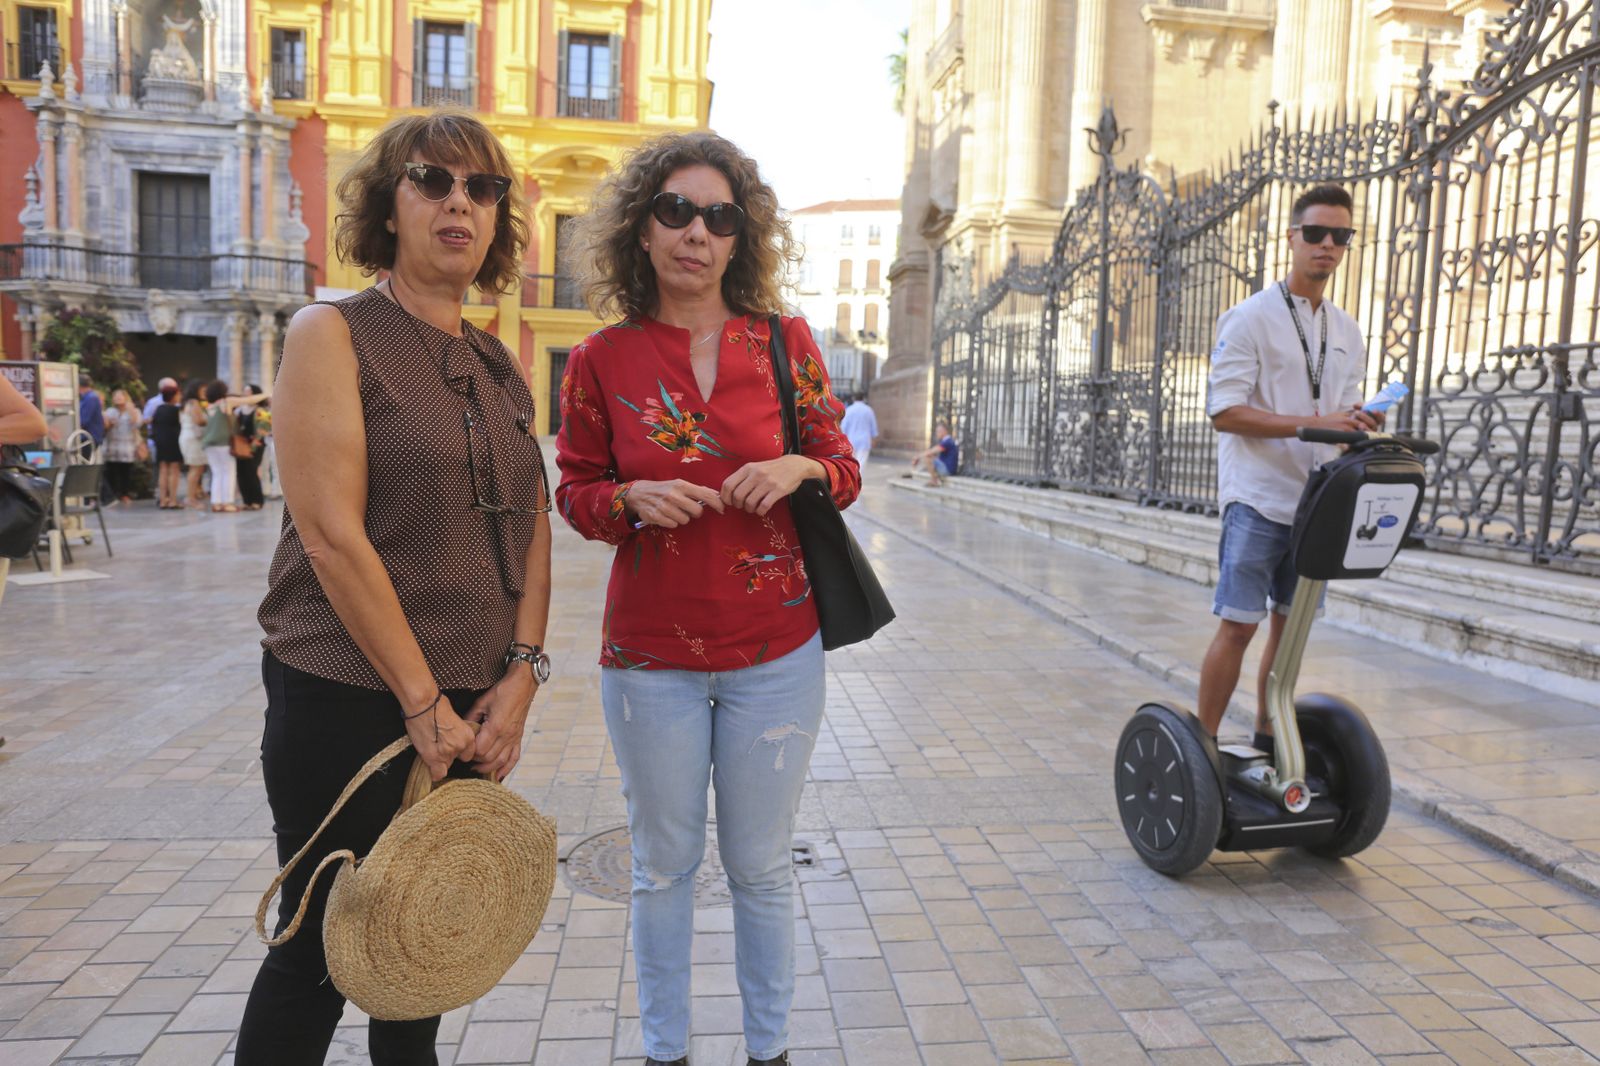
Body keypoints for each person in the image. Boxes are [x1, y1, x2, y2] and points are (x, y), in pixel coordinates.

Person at [240, 110, 550, 1066]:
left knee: (426, 942)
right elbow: (332, 536)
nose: (460, 202)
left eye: (483, 188)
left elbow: (534, 526)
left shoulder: (500, 362)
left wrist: (522, 679)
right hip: (346, 692)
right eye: (432, 181)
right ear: (389, 204)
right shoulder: (333, 333)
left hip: (467, 703)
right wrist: (420, 700)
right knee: (320, 951)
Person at [555, 131, 859, 1066]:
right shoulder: (601, 359)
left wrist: (797, 463)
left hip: (777, 650)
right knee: (663, 867)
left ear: (740, 238)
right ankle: (665, 1050)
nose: (697, 232)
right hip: (651, 659)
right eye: (676, 211)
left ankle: (768, 1051)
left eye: (718, 217)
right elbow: (573, 492)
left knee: (762, 869)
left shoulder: (783, 342)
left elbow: (843, 470)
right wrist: (628, 498)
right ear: (641, 231)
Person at [1198, 183, 1382, 750]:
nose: (1326, 245)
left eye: (1340, 236)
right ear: (1292, 237)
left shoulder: (1347, 329)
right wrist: (1315, 422)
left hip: (1316, 504)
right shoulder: (1249, 318)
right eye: (1315, 233)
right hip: (1257, 497)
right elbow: (1224, 412)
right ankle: (1200, 745)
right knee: (1239, 626)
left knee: (1291, 629)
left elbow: (1341, 410)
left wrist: (1356, 425)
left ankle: (1265, 732)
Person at [200, 380, 240, 512]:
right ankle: (227, 502)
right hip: (223, 443)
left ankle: (216, 502)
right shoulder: (225, 403)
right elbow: (248, 400)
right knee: (228, 472)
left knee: (217, 473)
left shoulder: (209, 407)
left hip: (208, 443)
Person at [101, 388, 144, 504]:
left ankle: (125, 494)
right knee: (111, 472)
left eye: (120, 396)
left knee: (126, 472)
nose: (117, 398)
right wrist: (110, 424)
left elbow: (137, 424)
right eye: (115, 396)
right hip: (112, 447)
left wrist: (131, 410)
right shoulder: (110, 411)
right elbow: (104, 427)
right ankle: (113, 494)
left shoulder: (134, 411)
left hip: (127, 446)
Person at [148, 383, 184, 509]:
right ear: (173, 396)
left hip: (160, 442)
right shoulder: (175, 410)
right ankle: (173, 500)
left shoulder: (158, 409)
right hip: (173, 441)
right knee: (174, 471)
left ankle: (163, 500)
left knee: (163, 471)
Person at [234, 385, 266, 510]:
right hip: (241, 445)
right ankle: (247, 501)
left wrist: (256, 440)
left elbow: (263, 428)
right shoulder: (240, 410)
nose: (245, 393)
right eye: (245, 391)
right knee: (241, 473)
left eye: (248, 391)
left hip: (256, 445)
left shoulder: (260, 410)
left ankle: (257, 500)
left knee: (251, 471)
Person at [179, 381, 208, 508]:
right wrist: (211, 418)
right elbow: (199, 421)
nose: (204, 393)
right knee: (195, 469)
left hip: (189, 437)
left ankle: (193, 495)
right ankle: (190, 498)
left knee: (198, 468)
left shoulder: (188, 403)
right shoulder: (193, 402)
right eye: (202, 390)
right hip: (192, 438)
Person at [907, 421, 958, 486]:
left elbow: (933, 451)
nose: (937, 433)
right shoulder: (946, 441)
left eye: (938, 431)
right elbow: (933, 452)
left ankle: (934, 481)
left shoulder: (948, 441)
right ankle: (913, 472)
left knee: (928, 457)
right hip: (946, 468)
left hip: (948, 470)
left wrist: (918, 457)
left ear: (944, 431)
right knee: (930, 456)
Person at [839, 389, 879, 469]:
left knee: (852, 464)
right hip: (864, 440)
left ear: (853, 398)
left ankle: (853, 480)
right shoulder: (868, 410)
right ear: (863, 398)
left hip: (851, 440)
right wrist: (874, 439)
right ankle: (858, 480)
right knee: (861, 464)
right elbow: (873, 427)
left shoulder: (849, 410)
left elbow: (843, 428)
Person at [143, 376, 177, 463]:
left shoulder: (177, 404)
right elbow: (145, 420)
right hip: (157, 440)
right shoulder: (153, 402)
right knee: (159, 466)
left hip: (173, 440)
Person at [76, 378, 105, 459]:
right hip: (88, 437)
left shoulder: (91, 398)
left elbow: (84, 420)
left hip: (88, 437)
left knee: (84, 462)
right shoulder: (89, 397)